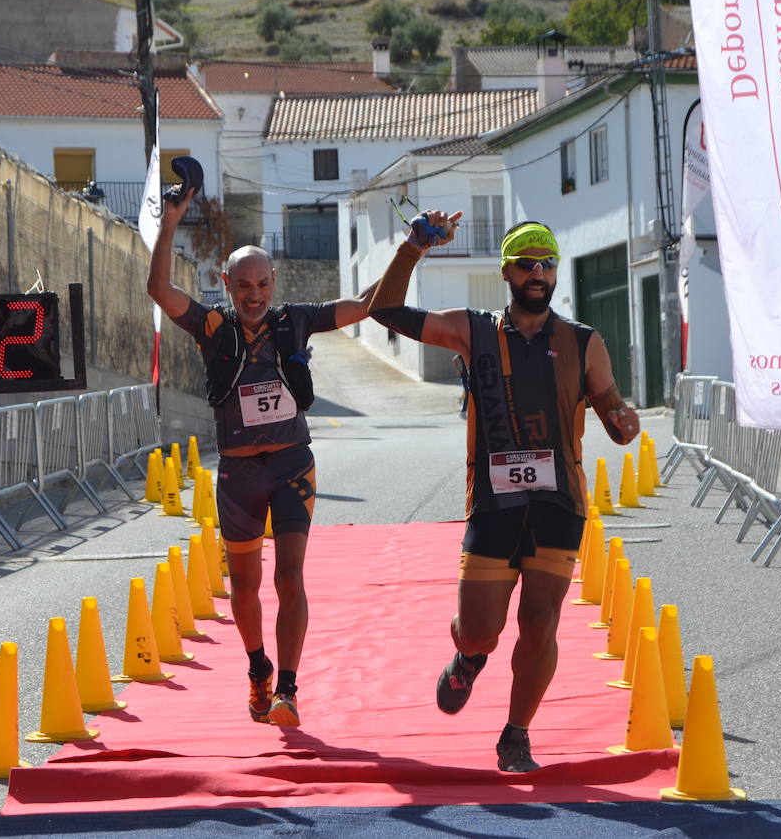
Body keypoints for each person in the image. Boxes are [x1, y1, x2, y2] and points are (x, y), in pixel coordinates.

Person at [368, 214, 641, 772]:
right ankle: (468, 654)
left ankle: (516, 734)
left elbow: (611, 405)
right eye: (526, 264)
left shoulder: (583, 341)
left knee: (541, 621)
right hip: (493, 505)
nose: (538, 274)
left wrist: (621, 418)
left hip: (558, 504)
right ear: (507, 273)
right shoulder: (473, 331)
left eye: (546, 264)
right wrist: (414, 247)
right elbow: (386, 310)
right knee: (481, 630)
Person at [146, 188, 380, 728]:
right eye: (244, 286)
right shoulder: (213, 328)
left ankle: (290, 690)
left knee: (290, 578)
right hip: (238, 474)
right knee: (246, 586)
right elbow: (159, 288)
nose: (254, 295)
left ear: (275, 283)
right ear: (227, 286)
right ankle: (258, 669)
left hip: (292, 464)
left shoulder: (295, 321)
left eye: (263, 284)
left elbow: (367, 304)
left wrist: (411, 249)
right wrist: (173, 220)